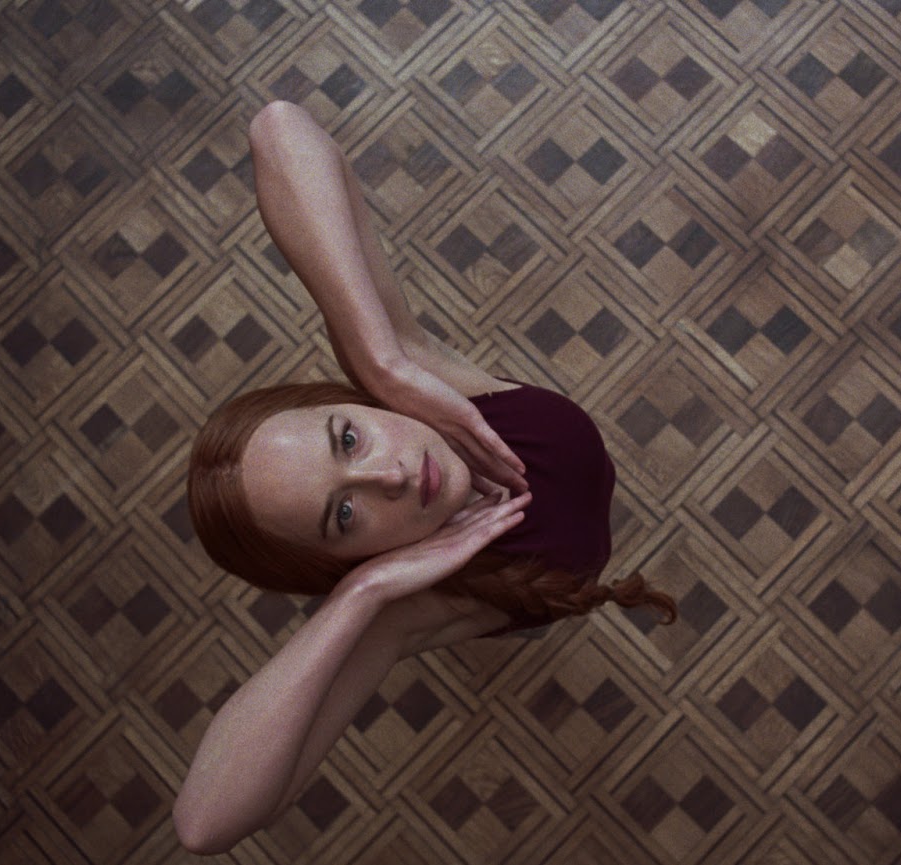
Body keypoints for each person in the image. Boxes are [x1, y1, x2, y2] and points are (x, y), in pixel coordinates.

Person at [172, 101, 676, 855]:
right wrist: (360, 599)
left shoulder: (404, 380)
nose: (393, 472)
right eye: (343, 516)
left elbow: (280, 128)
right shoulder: (401, 607)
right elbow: (203, 822)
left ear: (349, 401)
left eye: (348, 435)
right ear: (336, 561)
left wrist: (384, 359)